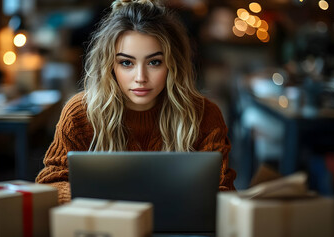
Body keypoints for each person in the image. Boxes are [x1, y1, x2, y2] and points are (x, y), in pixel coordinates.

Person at [36, 0, 236, 204]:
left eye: (154, 62)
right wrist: (111, 203)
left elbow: (222, 191)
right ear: (109, 65)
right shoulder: (80, 113)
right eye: (126, 63)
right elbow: (51, 183)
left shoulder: (204, 114)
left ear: (172, 64)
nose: (140, 77)